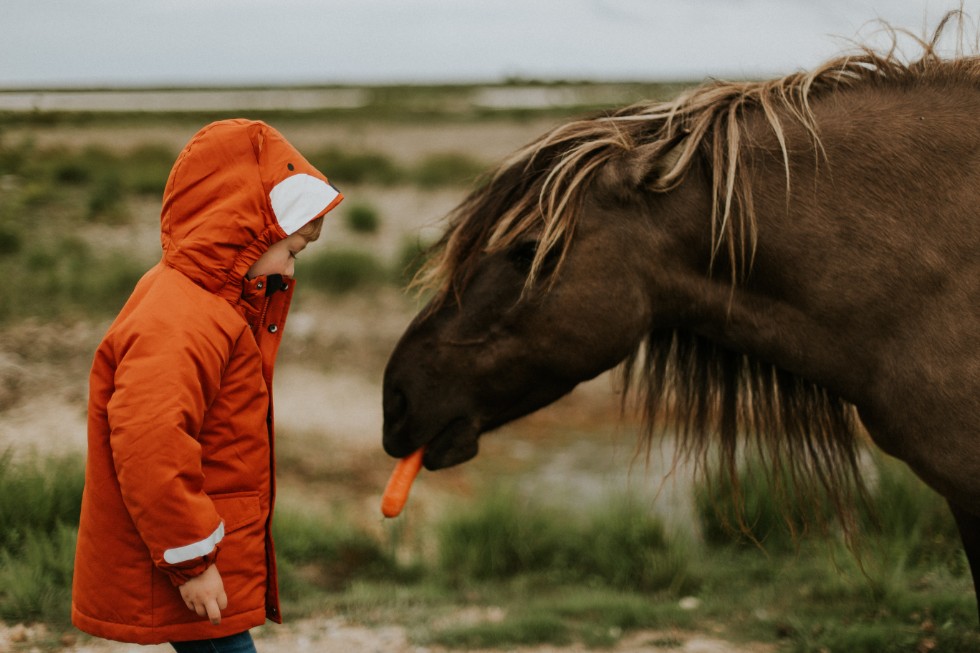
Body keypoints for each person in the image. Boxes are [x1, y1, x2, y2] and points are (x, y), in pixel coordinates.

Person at [71, 119, 343, 652]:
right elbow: (151, 444)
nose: (291, 269)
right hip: (185, 556)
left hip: (198, 547)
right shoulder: (182, 319)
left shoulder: (210, 306)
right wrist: (192, 561)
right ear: (244, 230)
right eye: (292, 250)